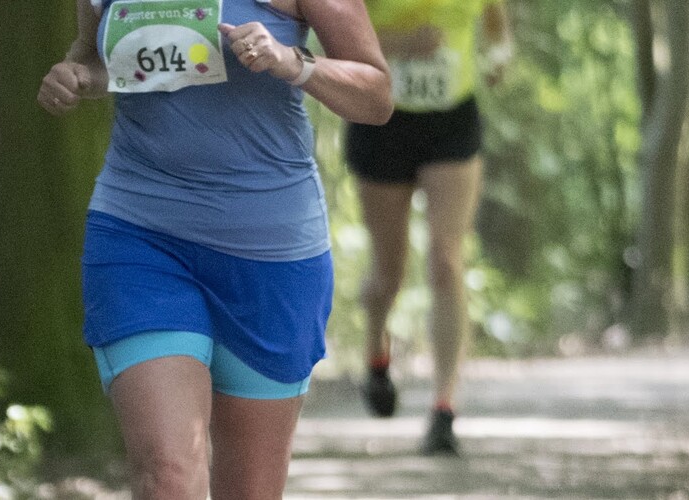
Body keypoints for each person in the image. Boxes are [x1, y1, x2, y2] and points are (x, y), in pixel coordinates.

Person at [37, 0, 390, 496]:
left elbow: (376, 95)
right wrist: (77, 75)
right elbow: (100, 58)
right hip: (140, 234)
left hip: (271, 251)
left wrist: (292, 62)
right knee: (168, 473)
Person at [347, 0, 511, 456]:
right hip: (381, 118)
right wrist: (402, 44)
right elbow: (335, 46)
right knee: (388, 273)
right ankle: (376, 352)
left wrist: (499, 56)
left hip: (452, 119)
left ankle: (443, 410)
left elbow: (496, 24)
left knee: (446, 259)